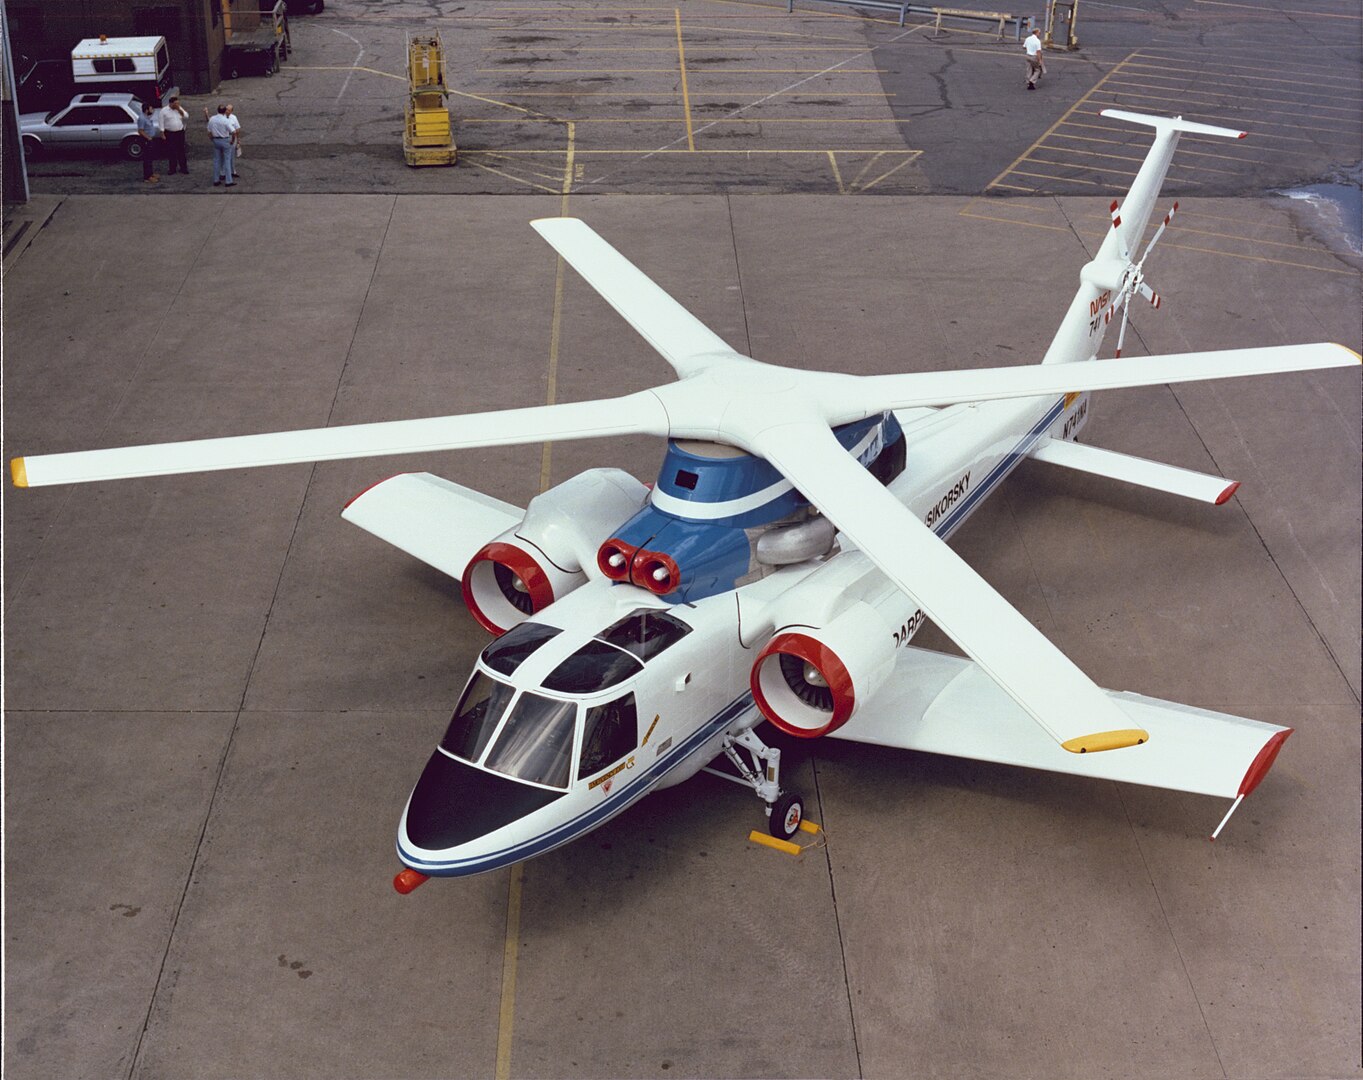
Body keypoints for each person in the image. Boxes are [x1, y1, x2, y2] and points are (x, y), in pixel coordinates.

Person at [205, 104, 236, 187]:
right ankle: (228, 181)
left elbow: (208, 131)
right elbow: (233, 132)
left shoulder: (212, 119)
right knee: (227, 160)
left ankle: (216, 179)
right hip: (225, 140)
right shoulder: (226, 120)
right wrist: (232, 141)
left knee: (216, 160)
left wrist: (212, 139)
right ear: (225, 111)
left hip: (216, 140)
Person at [159, 95, 190, 174]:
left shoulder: (179, 109)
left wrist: (179, 110)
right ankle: (172, 168)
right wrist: (162, 133)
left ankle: (183, 167)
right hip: (170, 133)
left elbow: (186, 117)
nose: (177, 105)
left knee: (181, 150)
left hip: (179, 132)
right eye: (175, 104)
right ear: (171, 103)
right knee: (171, 151)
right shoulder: (164, 111)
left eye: (178, 103)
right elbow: (161, 122)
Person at [135, 102, 161, 184]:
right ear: (146, 110)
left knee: (150, 158)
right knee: (147, 159)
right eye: (150, 109)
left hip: (150, 139)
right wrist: (148, 138)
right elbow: (140, 131)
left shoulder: (146, 117)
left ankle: (151, 174)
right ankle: (147, 177)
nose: (152, 110)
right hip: (146, 140)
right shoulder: (142, 118)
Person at [1024, 26, 1045, 90]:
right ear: (1037, 33)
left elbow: (1024, 47)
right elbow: (1038, 52)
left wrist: (1029, 48)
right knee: (1037, 70)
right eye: (1039, 33)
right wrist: (1040, 60)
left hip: (1027, 56)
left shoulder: (1027, 38)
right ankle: (1032, 81)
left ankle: (1028, 83)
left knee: (1029, 69)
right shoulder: (1037, 41)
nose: (1040, 34)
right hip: (1034, 57)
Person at [224, 103, 242, 169]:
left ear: (231, 111)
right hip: (225, 137)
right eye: (226, 109)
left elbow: (237, 128)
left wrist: (238, 139)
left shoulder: (234, 117)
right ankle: (223, 172)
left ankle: (232, 170)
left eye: (228, 110)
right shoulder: (222, 116)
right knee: (225, 155)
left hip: (232, 137)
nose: (227, 111)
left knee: (232, 155)